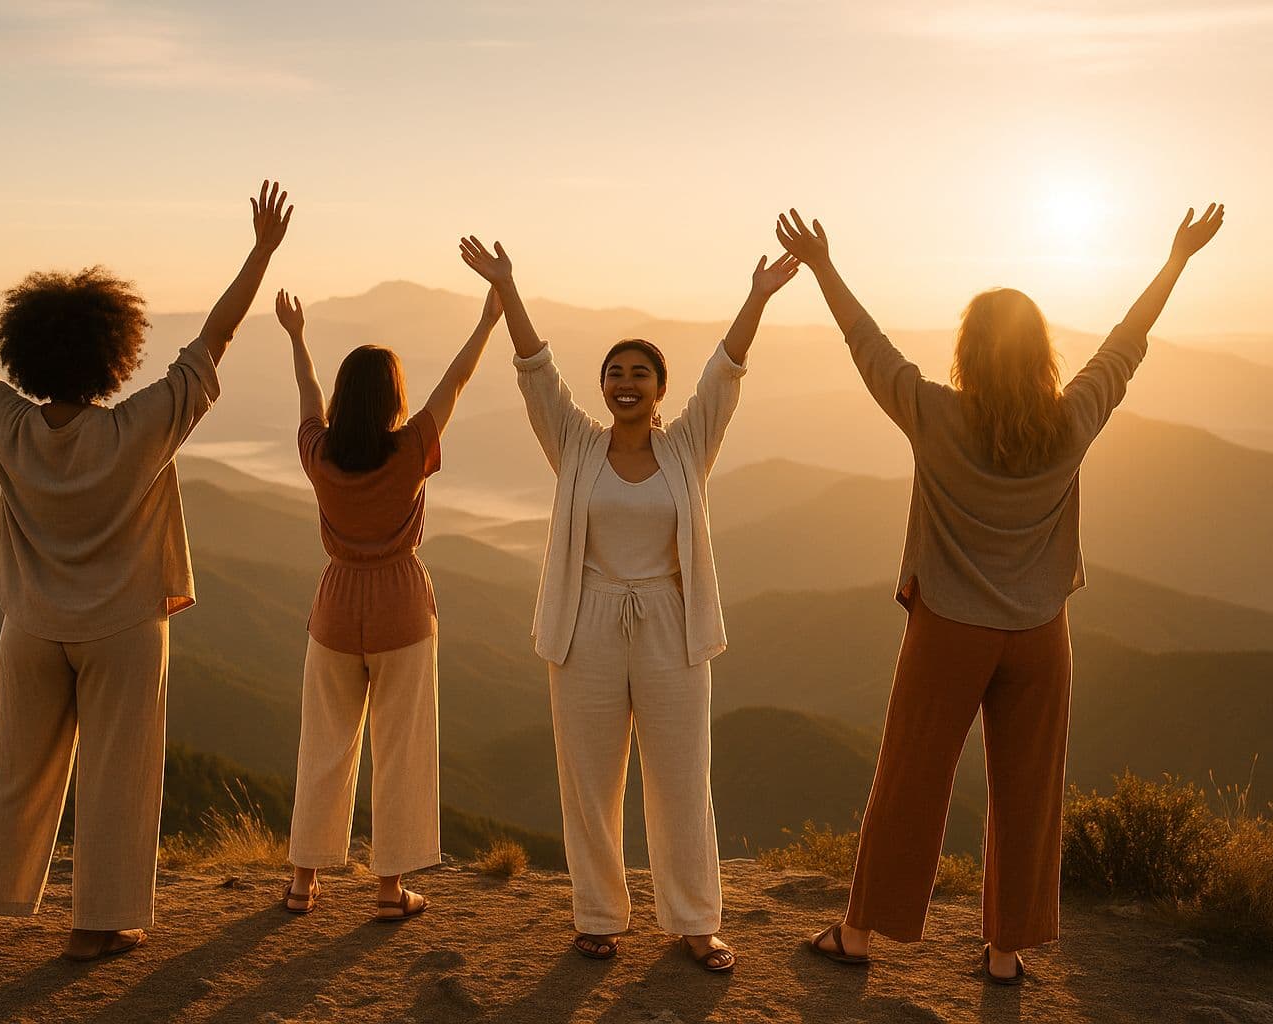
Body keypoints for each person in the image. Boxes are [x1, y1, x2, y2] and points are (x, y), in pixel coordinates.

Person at [775, 203, 1224, 984]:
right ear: (1042, 356)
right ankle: (1006, 952)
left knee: (911, 777)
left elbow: (867, 346)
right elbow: (1126, 345)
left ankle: (858, 935)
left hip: (950, 627)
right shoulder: (1072, 418)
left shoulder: (935, 415)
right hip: (1041, 635)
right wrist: (1177, 260)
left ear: (968, 354)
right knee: (1029, 791)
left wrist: (822, 266)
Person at [0, 177, 293, 961]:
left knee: (14, 770)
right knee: (118, 777)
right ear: (113, 353)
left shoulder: (4, 421)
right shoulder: (140, 428)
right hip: (125, 629)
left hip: (31, 627)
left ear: (28, 351)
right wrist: (261, 250)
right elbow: (213, 342)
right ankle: (96, 927)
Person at [460, 234, 801, 971]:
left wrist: (758, 295)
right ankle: (599, 917)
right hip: (586, 623)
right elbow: (536, 375)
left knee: (681, 777)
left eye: (638, 373)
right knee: (590, 779)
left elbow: (725, 375)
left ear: (658, 389)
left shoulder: (687, 447)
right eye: (614, 372)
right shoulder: (575, 444)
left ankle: (694, 921)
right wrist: (508, 288)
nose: (624, 382)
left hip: (671, 626)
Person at [279, 280, 504, 920]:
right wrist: (487, 323)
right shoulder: (409, 452)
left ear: (347, 399)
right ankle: (387, 890)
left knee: (324, 743)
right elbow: (455, 383)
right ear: (394, 399)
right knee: (400, 747)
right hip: (401, 605)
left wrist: (297, 337)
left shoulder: (318, 454)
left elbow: (307, 398)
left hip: (336, 603)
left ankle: (302, 883)